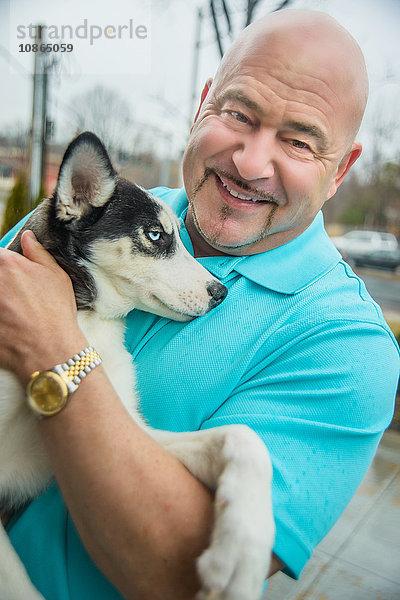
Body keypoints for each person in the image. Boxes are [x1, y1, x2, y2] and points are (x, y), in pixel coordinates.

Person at [0, 8, 399, 600]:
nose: (250, 161)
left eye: (298, 140)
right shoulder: (118, 211)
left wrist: (55, 351)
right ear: (203, 103)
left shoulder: (346, 348)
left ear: (340, 169)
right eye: (239, 113)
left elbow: (175, 579)